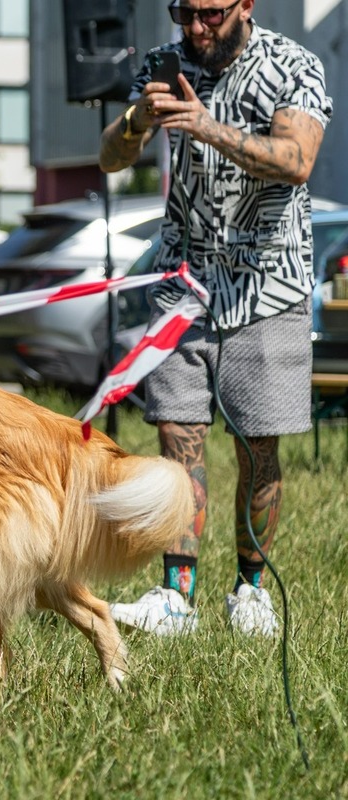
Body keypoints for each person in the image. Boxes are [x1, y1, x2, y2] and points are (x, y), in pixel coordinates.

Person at [97, 0, 332, 636]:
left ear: (245, 5)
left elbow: (296, 159)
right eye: (182, 12)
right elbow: (111, 157)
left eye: (208, 13)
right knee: (177, 434)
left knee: (258, 444)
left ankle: (250, 590)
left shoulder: (292, 65)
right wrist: (138, 120)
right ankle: (176, 594)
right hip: (186, 278)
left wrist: (204, 125)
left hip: (268, 281)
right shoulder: (165, 62)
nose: (195, 27)